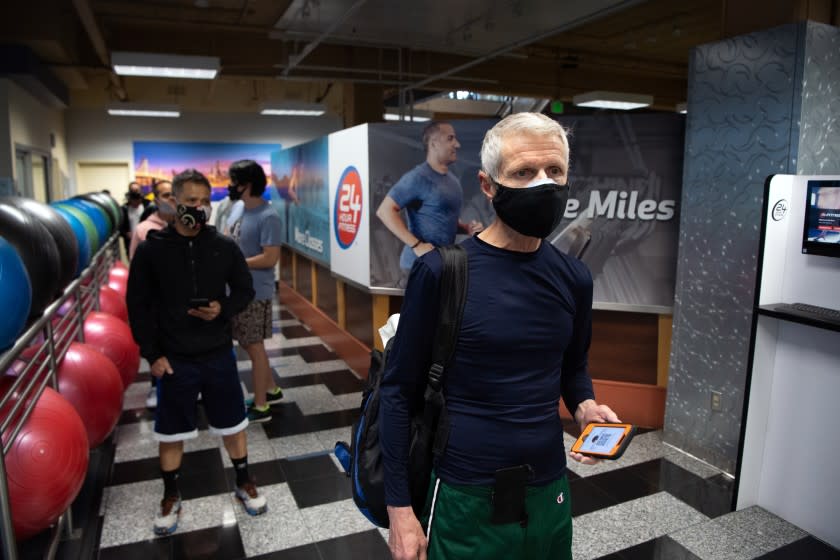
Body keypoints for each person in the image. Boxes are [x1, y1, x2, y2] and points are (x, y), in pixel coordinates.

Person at [380, 113, 620, 560]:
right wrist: (400, 511)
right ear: (488, 186)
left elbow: (573, 367)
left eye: (555, 172)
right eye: (524, 173)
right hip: (465, 492)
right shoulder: (441, 272)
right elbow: (397, 393)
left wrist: (585, 405)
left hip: (548, 488)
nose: (543, 185)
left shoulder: (573, 278)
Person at [126, 168, 267, 536]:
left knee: (233, 423)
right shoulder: (152, 250)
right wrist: (152, 354)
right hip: (174, 357)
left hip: (218, 352)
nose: (200, 208)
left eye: (205, 201)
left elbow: (244, 289)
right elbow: (138, 305)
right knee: (171, 432)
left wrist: (223, 307)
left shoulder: (222, 246)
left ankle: (244, 480)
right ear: (173, 202)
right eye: (192, 202)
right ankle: (171, 494)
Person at [375, 122, 483, 285]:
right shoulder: (417, 178)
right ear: (434, 144)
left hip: (443, 264)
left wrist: (466, 228)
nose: (457, 144)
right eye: (450, 139)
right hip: (418, 266)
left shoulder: (453, 181)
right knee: (420, 311)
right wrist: (417, 245)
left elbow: (443, 218)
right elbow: (384, 211)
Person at [227, 160, 284, 423]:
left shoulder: (268, 216)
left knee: (254, 346)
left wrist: (237, 264)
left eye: (235, 180)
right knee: (249, 343)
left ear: (247, 184)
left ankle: (261, 405)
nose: (231, 185)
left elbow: (270, 258)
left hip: (255, 292)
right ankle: (271, 390)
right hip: (237, 289)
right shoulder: (238, 208)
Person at [128, 179, 176, 410]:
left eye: (174, 195)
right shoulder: (145, 230)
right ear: (156, 200)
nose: (171, 200)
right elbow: (137, 277)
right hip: (156, 305)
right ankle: (156, 386)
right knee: (157, 349)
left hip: (179, 309)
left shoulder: (184, 227)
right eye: (166, 195)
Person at [120, 181, 150, 255]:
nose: (136, 203)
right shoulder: (124, 209)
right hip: (131, 244)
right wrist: (125, 234)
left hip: (147, 242)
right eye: (133, 191)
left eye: (137, 190)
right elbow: (120, 227)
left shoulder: (148, 206)